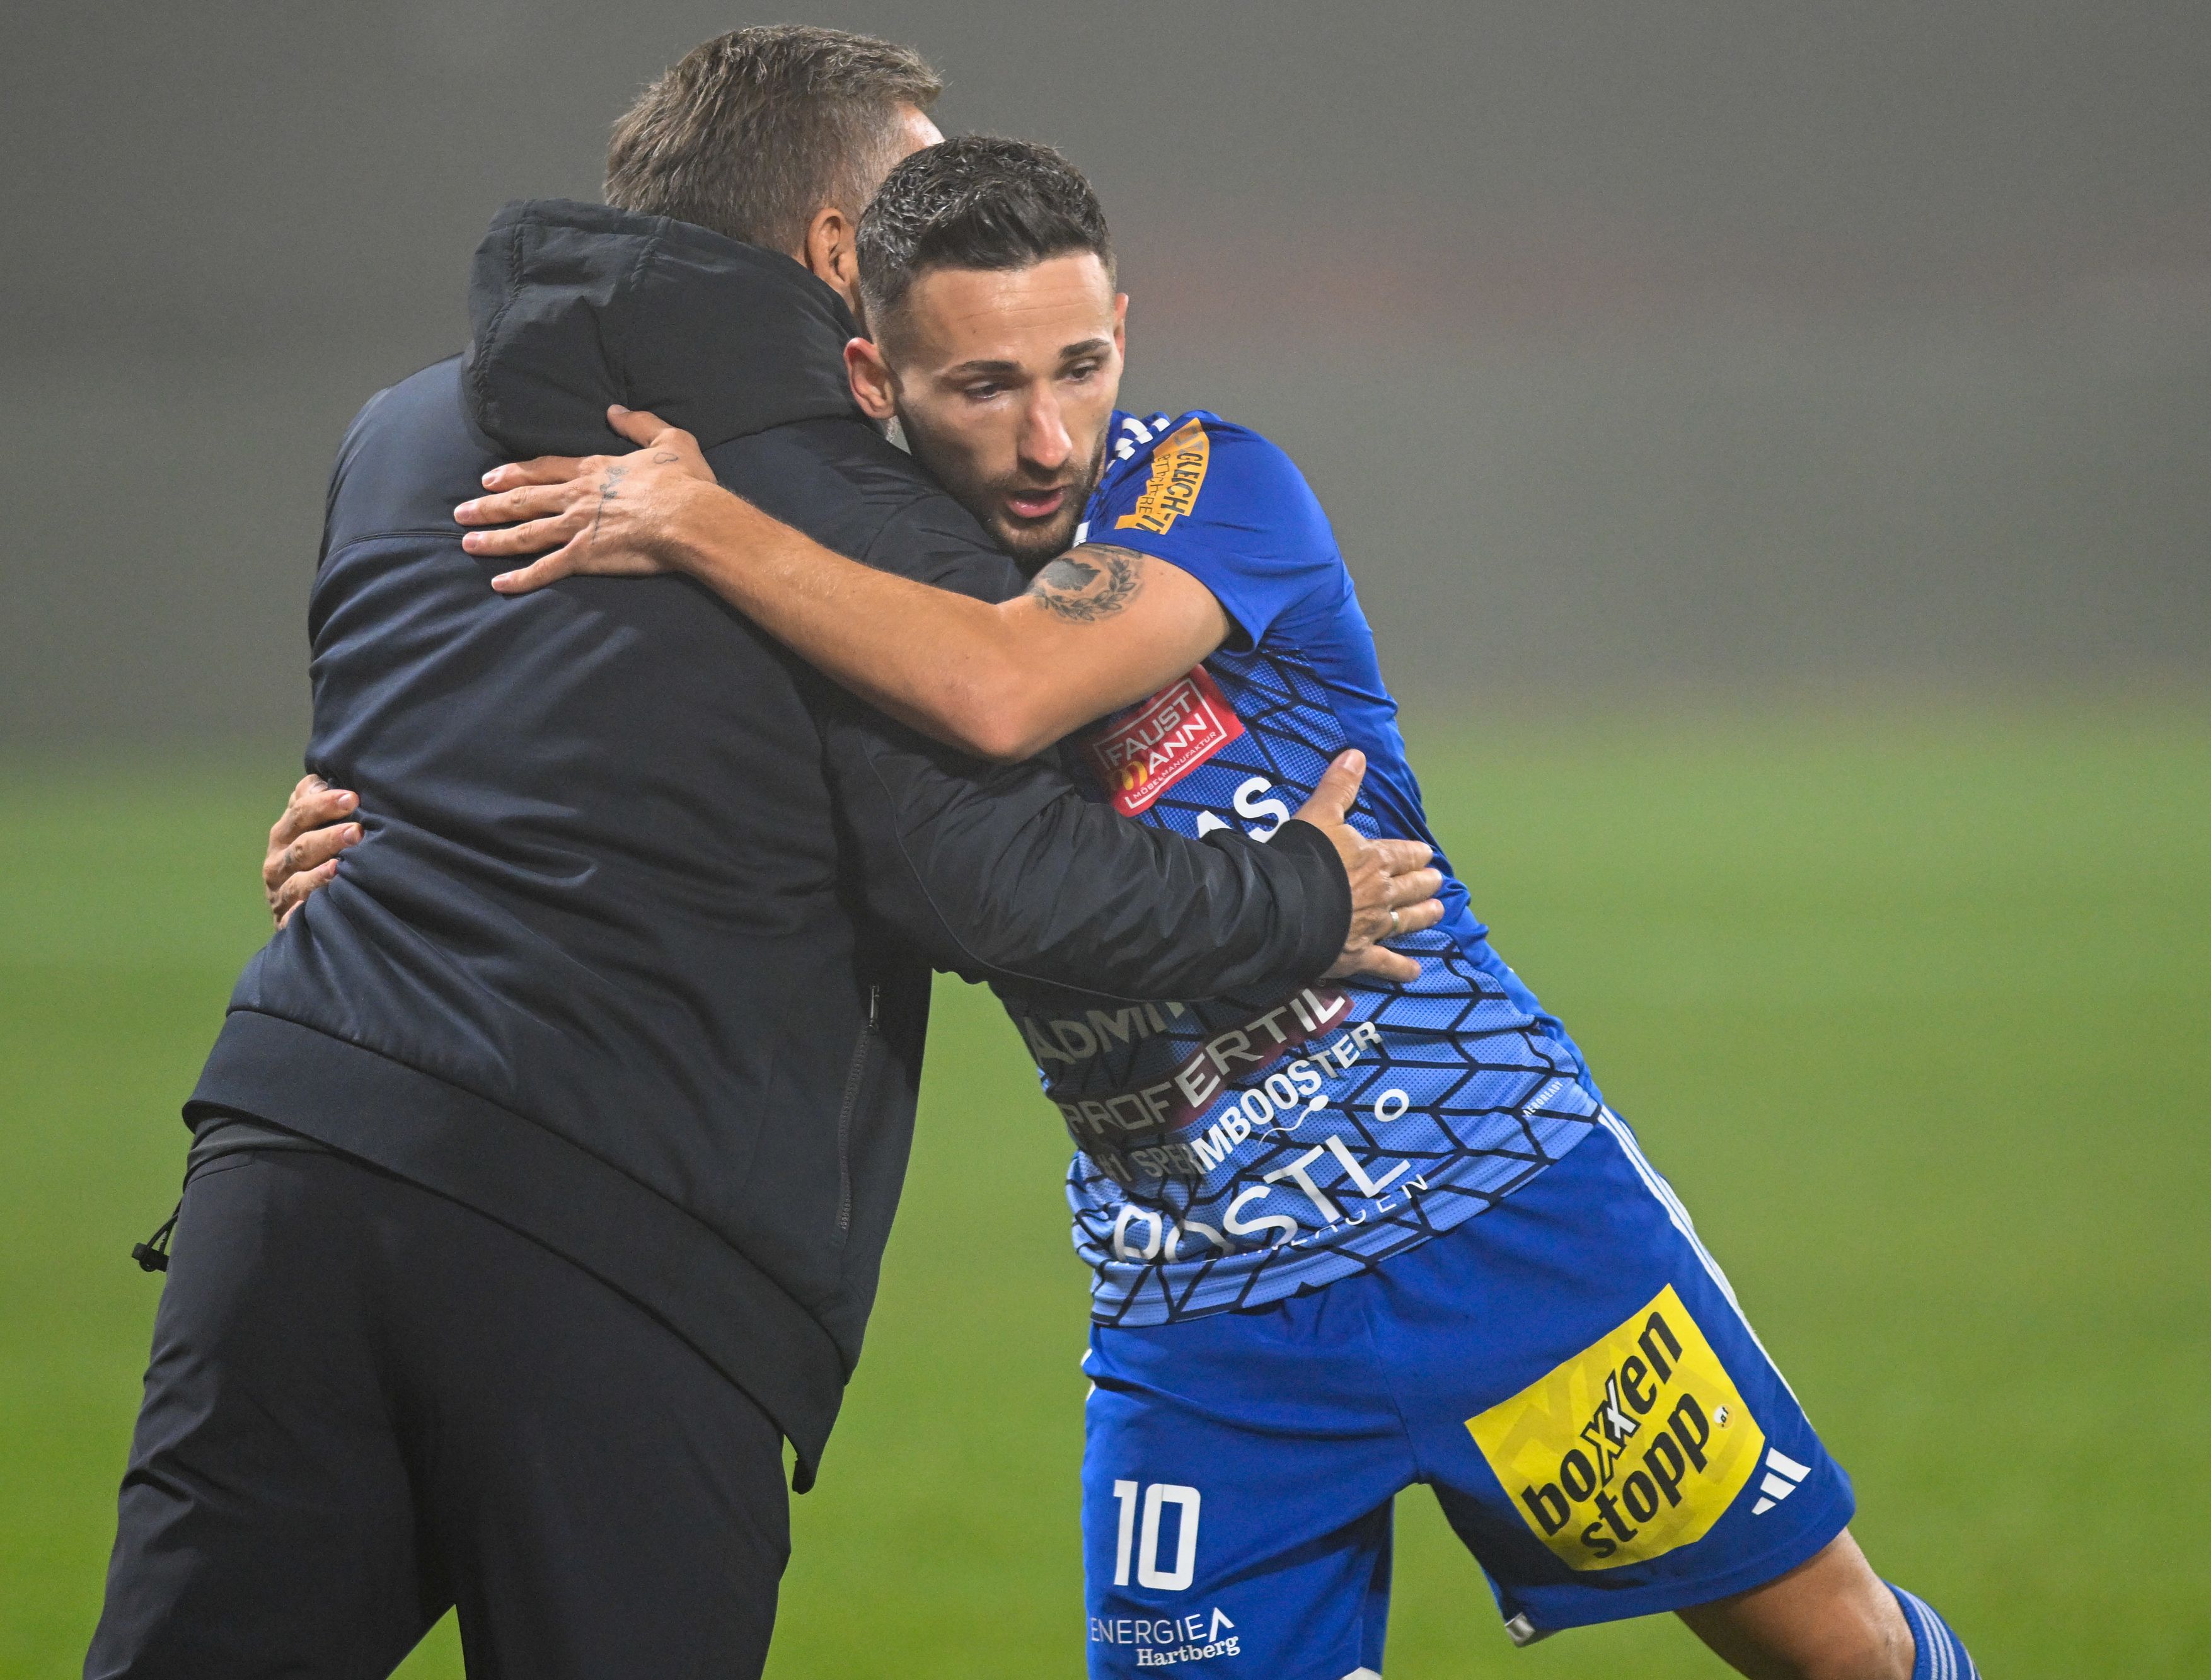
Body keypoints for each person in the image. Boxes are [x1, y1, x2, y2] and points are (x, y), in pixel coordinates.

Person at [280, 137, 1984, 1680]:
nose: (1047, 436)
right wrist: (375, 829)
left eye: (1081, 364)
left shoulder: (1202, 484)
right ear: (874, 375)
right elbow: (649, 794)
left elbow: (1010, 690)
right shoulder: (850, 575)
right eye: (983, 385)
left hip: (1495, 1214)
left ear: (1126, 333)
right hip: (1197, 1319)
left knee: (1835, 1651)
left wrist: (708, 523)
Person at [91, 33, 1440, 1680]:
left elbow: (370, 776)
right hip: (618, 1236)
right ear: (831, 253)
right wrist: (1303, 895)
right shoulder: (864, 521)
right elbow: (1000, 889)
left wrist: (338, 844)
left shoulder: (398, 433)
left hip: (284, 1170)